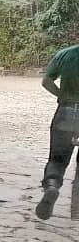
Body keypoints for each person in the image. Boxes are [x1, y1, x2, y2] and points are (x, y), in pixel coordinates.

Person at [36, 43, 79, 219]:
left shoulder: (65, 54)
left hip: (66, 111)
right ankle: (76, 210)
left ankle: (52, 186)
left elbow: (46, 81)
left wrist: (61, 95)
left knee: (57, 159)